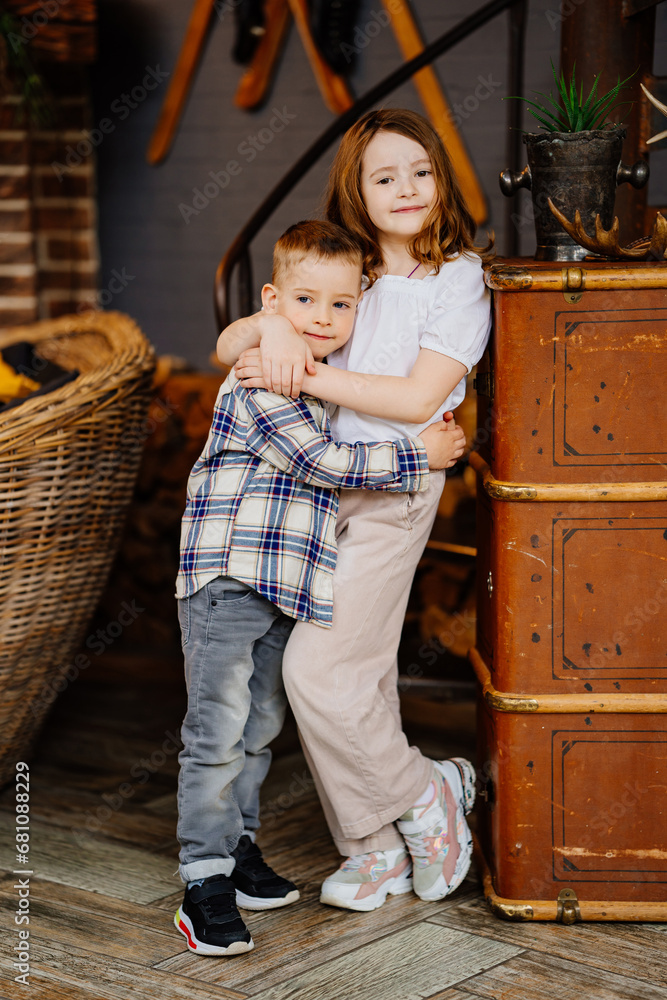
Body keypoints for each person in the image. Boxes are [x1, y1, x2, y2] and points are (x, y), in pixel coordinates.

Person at [174, 219, 467, 956]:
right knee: (215, 737)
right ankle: (202, 879)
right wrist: (417, 450)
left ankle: (238, 850)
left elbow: (337, 436)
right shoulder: (260, 378)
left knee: (259, 731)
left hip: (281, 586)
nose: (323, 319)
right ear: (275, 301)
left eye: (342, 306)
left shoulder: (313, 381)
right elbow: (322, 463)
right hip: (227, 579)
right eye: (305, 301)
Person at [229, 108, 493, 912]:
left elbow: (417, 395)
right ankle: (371, 847)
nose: (406, 188)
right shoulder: (345, 271)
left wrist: (299, 373)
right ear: (358, 190)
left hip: (396, 488)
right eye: (384, 176)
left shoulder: (455, 278)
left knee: (317, 669)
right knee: (361, 671)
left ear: (441, 181)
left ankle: (425, 794)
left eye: (420, 171)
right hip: (315, 488)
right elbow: (232, 347)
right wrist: (270, 326)